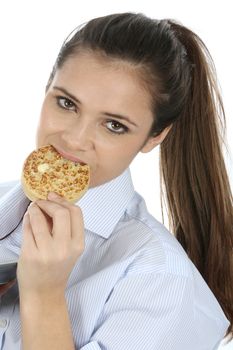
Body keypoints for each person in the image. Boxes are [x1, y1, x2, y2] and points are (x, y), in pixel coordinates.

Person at [0, 11, 232, 350]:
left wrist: (44, 295)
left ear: (154, 137)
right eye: (66, 103)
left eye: (114, 125)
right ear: (47, 88)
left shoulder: (162, 283)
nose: (75, 139)